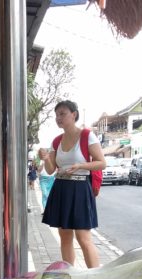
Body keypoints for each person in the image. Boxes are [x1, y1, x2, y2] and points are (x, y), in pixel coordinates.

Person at [39, 100, 105, 268]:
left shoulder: (87, 135)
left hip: (80, 187)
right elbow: (51, 169)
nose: (58, 118)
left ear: (74, 114)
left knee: (83, 238)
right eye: (56, 115)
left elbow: (101, 163)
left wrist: (81, 166)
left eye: (62, 114)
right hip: (61, 188)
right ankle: (70, 276)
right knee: (65, 236)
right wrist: (46, 158)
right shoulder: (56, 141)